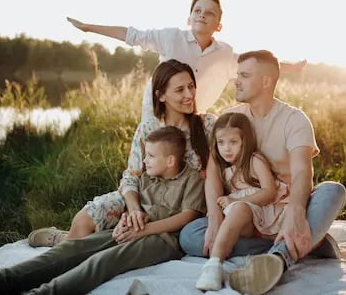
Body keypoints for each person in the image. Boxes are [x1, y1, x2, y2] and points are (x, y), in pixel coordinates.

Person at [0, 126, 207, 295]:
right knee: (72, 248)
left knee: (100, 262)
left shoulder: (192, 178)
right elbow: (133, 200)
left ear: (170, 160)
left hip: (162, 240)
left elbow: (187, 217)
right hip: (131, 230)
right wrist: (129, 218)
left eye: (150, 155)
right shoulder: (148, 176)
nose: (144, 160)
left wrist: (145, 229)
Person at [179, 50, 346, 295]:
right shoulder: (231, 117)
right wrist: (215, 217)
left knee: (333, 191)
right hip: (247, 212)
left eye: (244, 75)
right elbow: (213, 173)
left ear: (266, 81)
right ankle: (309, 242)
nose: (236, 80)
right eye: (237, 74)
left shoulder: (294, 119)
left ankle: (279, 258)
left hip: (285, 207)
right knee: (190, 236)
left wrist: (297, 213)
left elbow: (302, 173)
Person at [27, 59, 216, 247]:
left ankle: (72, 242)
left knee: (113, 242)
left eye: (191, 86)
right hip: (143, 198)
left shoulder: (207, 126)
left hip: (182, 204)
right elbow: (131, 176)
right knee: (84, 221)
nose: (189, 94)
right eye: (180, 89)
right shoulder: (147, 129)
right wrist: (134, 210)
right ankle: (62, 239)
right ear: (161, 96)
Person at [67, 0, 307, 121]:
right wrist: (89, 27)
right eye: (197, 11)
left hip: (193, 116)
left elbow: (257, 66)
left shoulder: (224, 53)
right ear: (189, 18)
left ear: (219, 25)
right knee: (155, 156)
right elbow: (131, 34)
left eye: (209, 13)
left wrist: (292, 68)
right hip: (158, 109)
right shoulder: (170, 37)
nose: (202, 15)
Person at [195, 112, 289, 291]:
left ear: (244, 141)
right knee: (197, 232)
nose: (226, 149)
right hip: (249, 223)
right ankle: (214, 265)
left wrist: (235, 200)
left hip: (268, 213)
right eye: (221, 142)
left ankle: (214, 263)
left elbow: (269, 192)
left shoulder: (255, 160)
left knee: (238, 209)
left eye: (233, 142)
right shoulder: (226, 171)